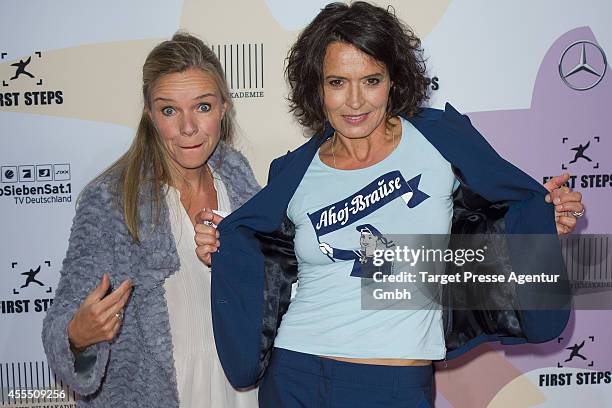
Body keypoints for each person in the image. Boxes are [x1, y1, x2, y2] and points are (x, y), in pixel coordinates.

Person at [207, 2, 584, 408]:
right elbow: (262, 257)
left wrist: (541, 222)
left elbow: (498, 219)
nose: (354, 101)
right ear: (317, 87)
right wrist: (219, 247)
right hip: (295, 375)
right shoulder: (294, 170)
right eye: (337, 82)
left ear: (393, 80)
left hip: (395, 384)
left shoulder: (439, 141)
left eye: (370, 80)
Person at [41, 33, 260, 407]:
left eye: (203, 107)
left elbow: (271, 282)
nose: (188, 127)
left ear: (224, 107)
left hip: (242, 389)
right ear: (149, 113)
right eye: (170, 110)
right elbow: (65, 320)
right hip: (160, 393)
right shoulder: (112, 199)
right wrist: (77, 336)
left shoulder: (237, 177)